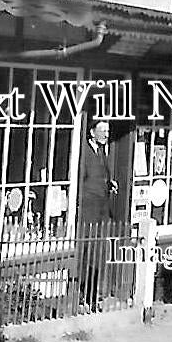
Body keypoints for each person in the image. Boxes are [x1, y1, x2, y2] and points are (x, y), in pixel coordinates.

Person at [73, 119, 119, 311]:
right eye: (103, 130)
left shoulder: (102, 151)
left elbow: (101, 176)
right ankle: (84, 295)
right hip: (88, 211)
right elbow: (80, 181)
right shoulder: (83, 152)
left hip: (101, 211)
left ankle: (94, 296)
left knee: (98, 253)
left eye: (108, 131)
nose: (107, 134)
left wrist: (109, 183)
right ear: (92, 132)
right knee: (87, 252)